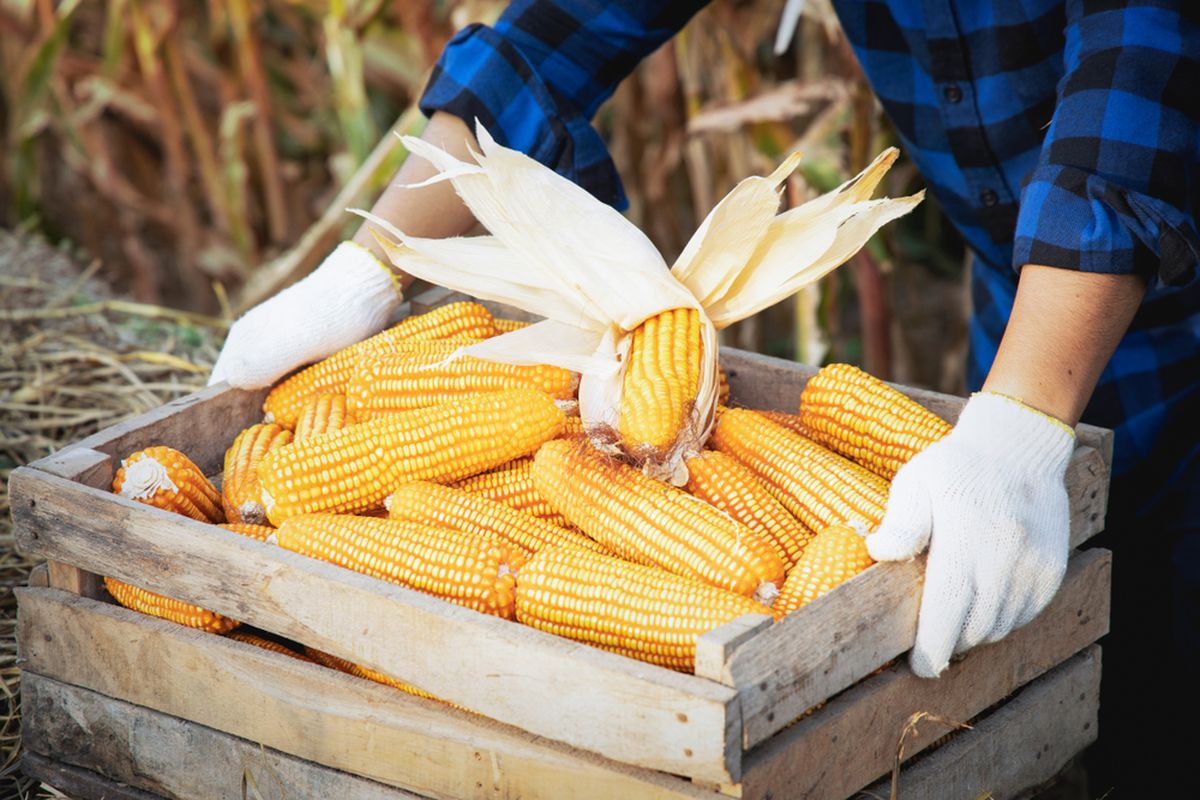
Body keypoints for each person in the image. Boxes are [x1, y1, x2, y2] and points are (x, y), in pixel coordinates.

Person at [211, 2, 1199, 791]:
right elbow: (558, 34)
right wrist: (370, 267)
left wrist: (1023, 420)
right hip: (1027, 304)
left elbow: (1143, 69)